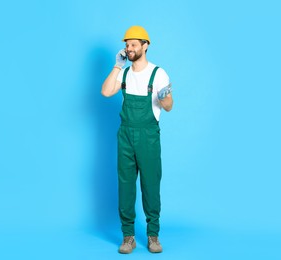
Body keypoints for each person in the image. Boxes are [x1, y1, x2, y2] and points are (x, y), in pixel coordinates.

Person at [101, 25, 173, 254]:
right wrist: (117, 65)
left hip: (148, 136)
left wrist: (164, 98)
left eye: (133, 44)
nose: (129, 48)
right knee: (125, 186)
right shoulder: (123, 72)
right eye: (126, 45)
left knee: (151, 185)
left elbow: (169, 107)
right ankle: (128, 236)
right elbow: (105, 92)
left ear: (145, 45)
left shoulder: (158, 73)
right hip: (125, 135)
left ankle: (153, 235)